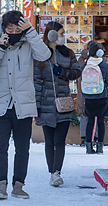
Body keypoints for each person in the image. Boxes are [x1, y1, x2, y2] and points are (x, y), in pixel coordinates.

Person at [0, 11, 50, 200]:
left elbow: (45, 55)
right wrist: (0, 48)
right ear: (3, 29)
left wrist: (31, 31)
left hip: (23, 105)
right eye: (9, 29)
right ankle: (0, 185)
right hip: (1, 105)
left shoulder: (29, 45)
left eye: (17, 29)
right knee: (0, 147)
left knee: (22, 147)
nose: (13, 32)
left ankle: (18, 185)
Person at [33, 22, 82, 187]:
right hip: (46, 102)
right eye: (60, 33)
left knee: (60, 140)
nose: (63, 37)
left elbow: (77, 72)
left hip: (64, 102)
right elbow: (36, 80)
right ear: (52, 34)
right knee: (49, 140)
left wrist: (62, 72)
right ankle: (51, 172)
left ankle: (56, 172)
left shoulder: (68, 53)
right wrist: (37, 105)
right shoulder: (40, 54)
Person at [80, 40, 108, 154]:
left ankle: (89, 147)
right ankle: (100, 146)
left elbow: (81, 78)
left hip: (89, 97)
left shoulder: (86, 64)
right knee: (100, 121)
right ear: (100, 52)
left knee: (90, 121)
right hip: (102, 96)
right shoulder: (104, 65)